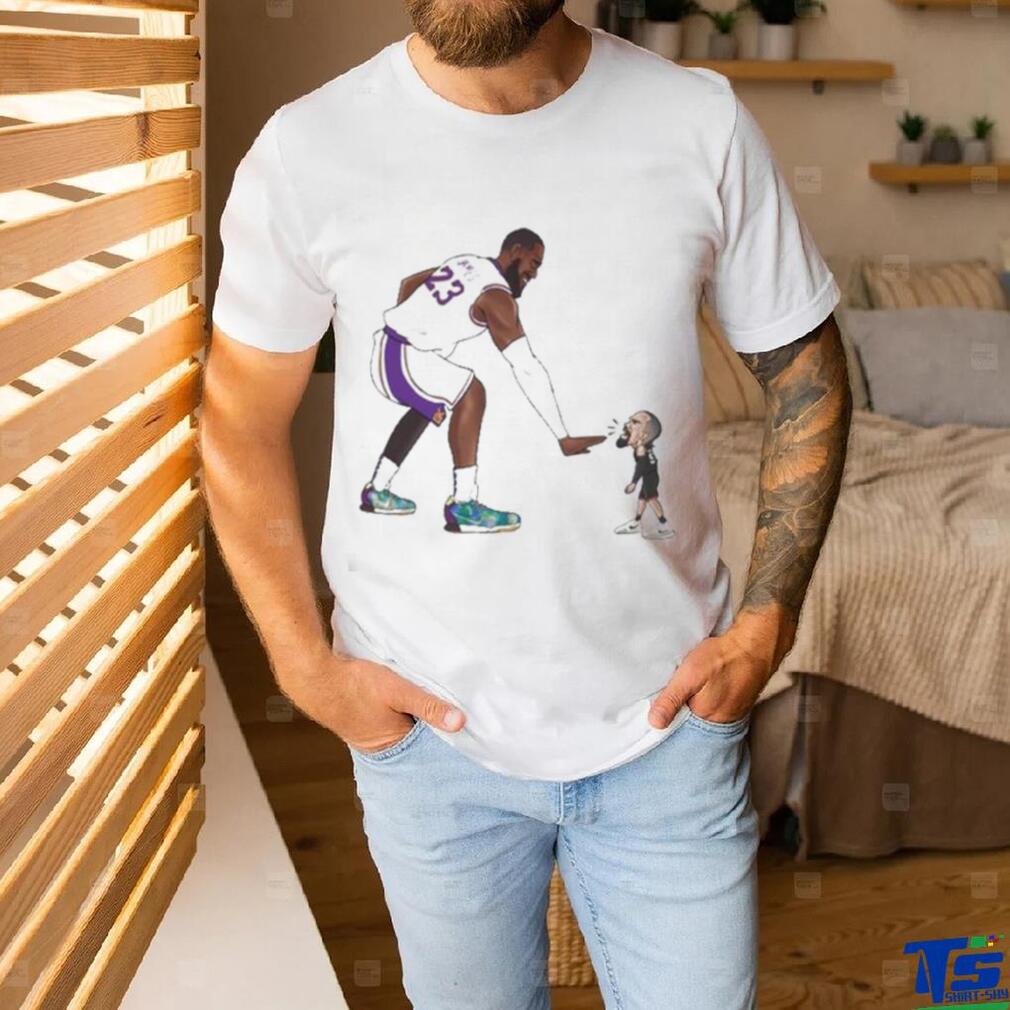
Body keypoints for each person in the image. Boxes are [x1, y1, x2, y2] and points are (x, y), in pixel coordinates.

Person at [203, 2, 852, 1007]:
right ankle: (462, 498)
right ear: (522, 263)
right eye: (530, 269)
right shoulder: (309, 150)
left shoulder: (699, 123)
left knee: (445, 395)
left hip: (668, 731)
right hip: (430, 735)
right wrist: (303, 667)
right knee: (465, 391)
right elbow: (240, 416)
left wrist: (765, 622)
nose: (529, 277)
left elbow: (806, 369)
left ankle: (403, 482)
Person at [362, 227, 605, 532]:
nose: (534, 274)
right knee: (472, 393)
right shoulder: (497, 298)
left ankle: (377, 490)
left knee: (434, 400)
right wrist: (562, 436)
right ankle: (464, 505)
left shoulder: (467, 262)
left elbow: (410, 283)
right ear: (516, 251)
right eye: (534, 263)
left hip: (388, 347)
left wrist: (416, 326)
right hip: (400, 358)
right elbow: (527, 367)